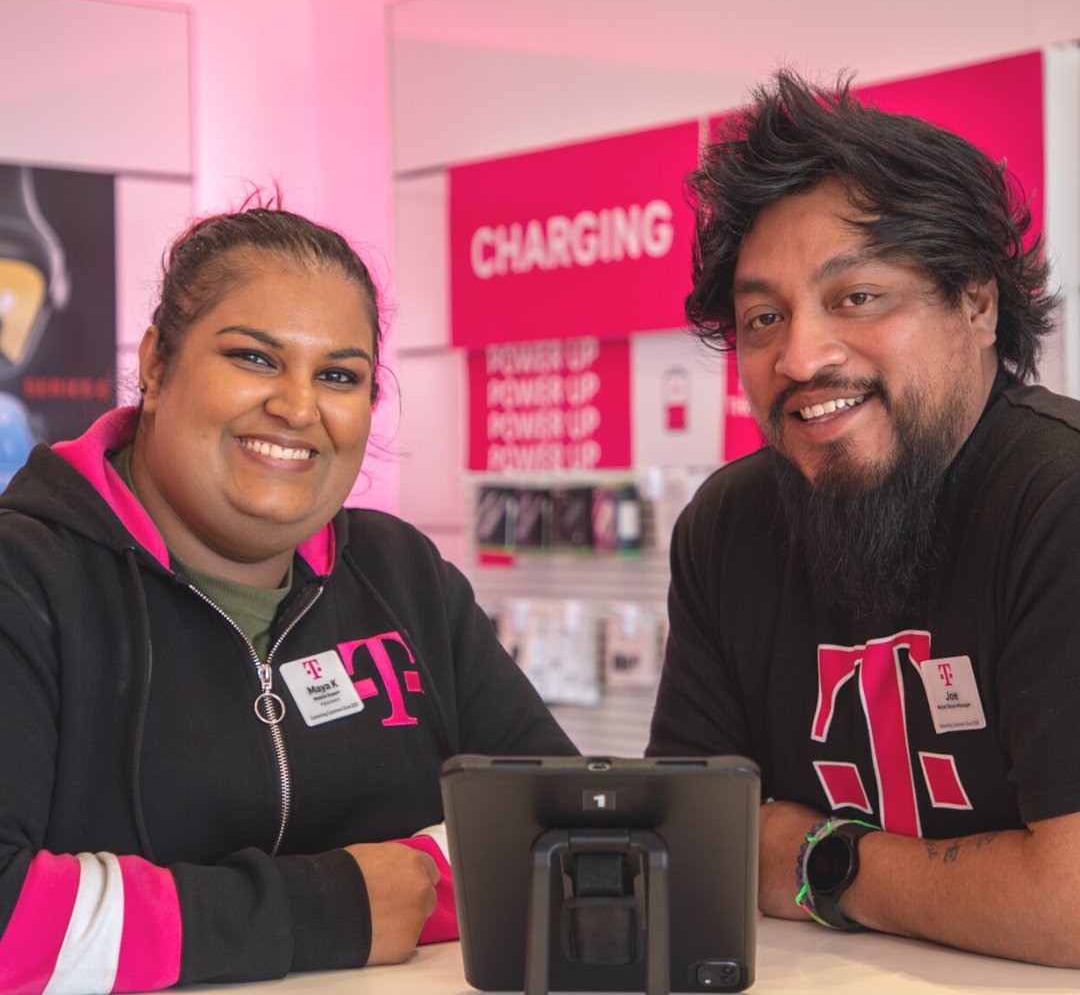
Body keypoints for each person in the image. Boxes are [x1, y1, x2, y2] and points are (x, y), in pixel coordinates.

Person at [0, 198, 576, 991]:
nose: (299, 407)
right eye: (255, 358)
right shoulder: (22, 578)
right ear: (159, 364)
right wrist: (334, 906)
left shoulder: (402, 574)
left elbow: (564, 827)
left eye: (339, 376)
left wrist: (407, 889)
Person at [647, 69, 1080, 966]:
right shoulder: (726, 527)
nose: (800, 355)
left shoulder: (1058, 501)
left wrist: (820, 862)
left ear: (977, 300)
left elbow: (1072, 902)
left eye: (858, 298)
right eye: (764, 317)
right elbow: (690, 847)